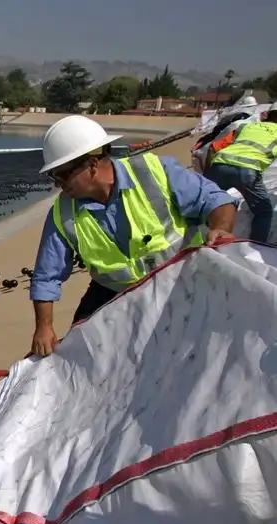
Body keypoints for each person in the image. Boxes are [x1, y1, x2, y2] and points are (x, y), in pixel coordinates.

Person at [30, 115, 238, 358]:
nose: (59, 184)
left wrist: (221, 228)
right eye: (53, 177)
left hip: (181, 278)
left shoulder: (155, 172)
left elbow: (216, 201)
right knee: (82, 348)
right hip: (113, 292)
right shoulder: (62, 212)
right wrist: (44, 327)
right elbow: (46, 276)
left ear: (92, 164)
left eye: (63, 175)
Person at [204, 101, 277, 243]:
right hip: (248, 172)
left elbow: (213, 148)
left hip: (220, 166)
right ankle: (257, 245)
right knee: (264, 212)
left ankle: (201, 235)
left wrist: (206, 177)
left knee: (205, 202)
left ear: (268, 115)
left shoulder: (246, 126)